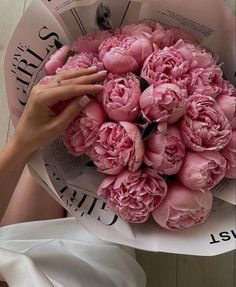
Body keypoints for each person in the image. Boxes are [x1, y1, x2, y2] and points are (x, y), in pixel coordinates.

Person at [0, 67, 146, 287]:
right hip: (88, 276)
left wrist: (22, 142)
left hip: (14, 261)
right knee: (117, 163)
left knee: (55, 141)